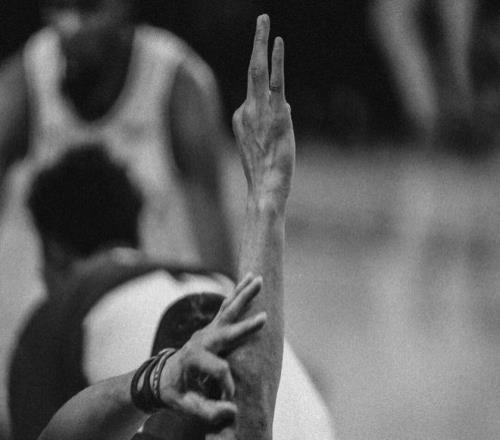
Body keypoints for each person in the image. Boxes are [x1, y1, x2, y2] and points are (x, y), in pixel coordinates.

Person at [10, 15, 334, 440]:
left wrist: (266, 200)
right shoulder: (26, 78)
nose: (72, 23)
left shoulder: (58, 312)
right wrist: (265, 202)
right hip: (228, 320)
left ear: (54, 256)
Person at [0, 0, 234, 277]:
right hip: (58, 296)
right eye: (59, 7)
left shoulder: (180, 83)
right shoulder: (24, 79)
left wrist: (224, 296)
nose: (70, 26)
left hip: (153, 291)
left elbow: (211, 225)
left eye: (89, 9)